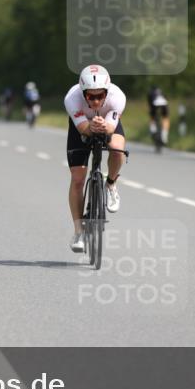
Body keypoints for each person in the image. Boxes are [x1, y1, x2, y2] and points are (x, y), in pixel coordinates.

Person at [65, 65, 126, 253]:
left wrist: (104, 126)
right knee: (77, 178)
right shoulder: (72, 98)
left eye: (100, 96)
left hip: (107, 122)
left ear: (107, 91)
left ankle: (111, 184)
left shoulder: (117, 97)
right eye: (91, 97)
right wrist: (90, 126)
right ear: (83, 93)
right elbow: (83, 129)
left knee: (117, 150)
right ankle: (78, 232)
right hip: (82, 126)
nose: (96, 101)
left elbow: (111, 128)